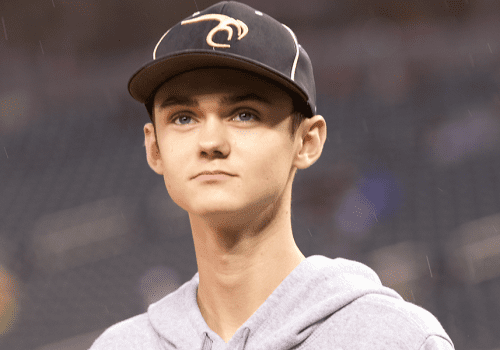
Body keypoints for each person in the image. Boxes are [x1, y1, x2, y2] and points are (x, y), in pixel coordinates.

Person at [90, 1, 454, 349]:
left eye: (244, 113)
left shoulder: (395, 339)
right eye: (183, 117)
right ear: (154, 149)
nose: (211, 141)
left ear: (307, 141)